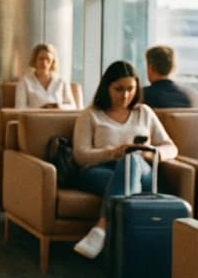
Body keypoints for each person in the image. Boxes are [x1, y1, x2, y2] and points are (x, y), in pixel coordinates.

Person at [72, 60, 178, 259]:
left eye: (130, 89)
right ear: (107, 87)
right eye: (119, 89)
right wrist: (112, 153)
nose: (125, 95)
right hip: (100, 170)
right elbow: (80, 154)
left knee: (131, 161)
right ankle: (129, 248)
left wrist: (150, 153)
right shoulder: (91, 114)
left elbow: (171, 147)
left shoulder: (144, 112)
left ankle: (102, 227)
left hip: (141, 169)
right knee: (127, 169)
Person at [15, 42, 77, 109]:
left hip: (57, 115)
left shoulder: (61, 81)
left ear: (52, 62)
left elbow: (72, 106)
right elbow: (19, 107)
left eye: (48, 59)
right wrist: (40, 109)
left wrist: (58, 106)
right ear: (35, 60)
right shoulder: (24, 81)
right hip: (35, 115)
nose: (44, 63)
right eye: (41, 59)